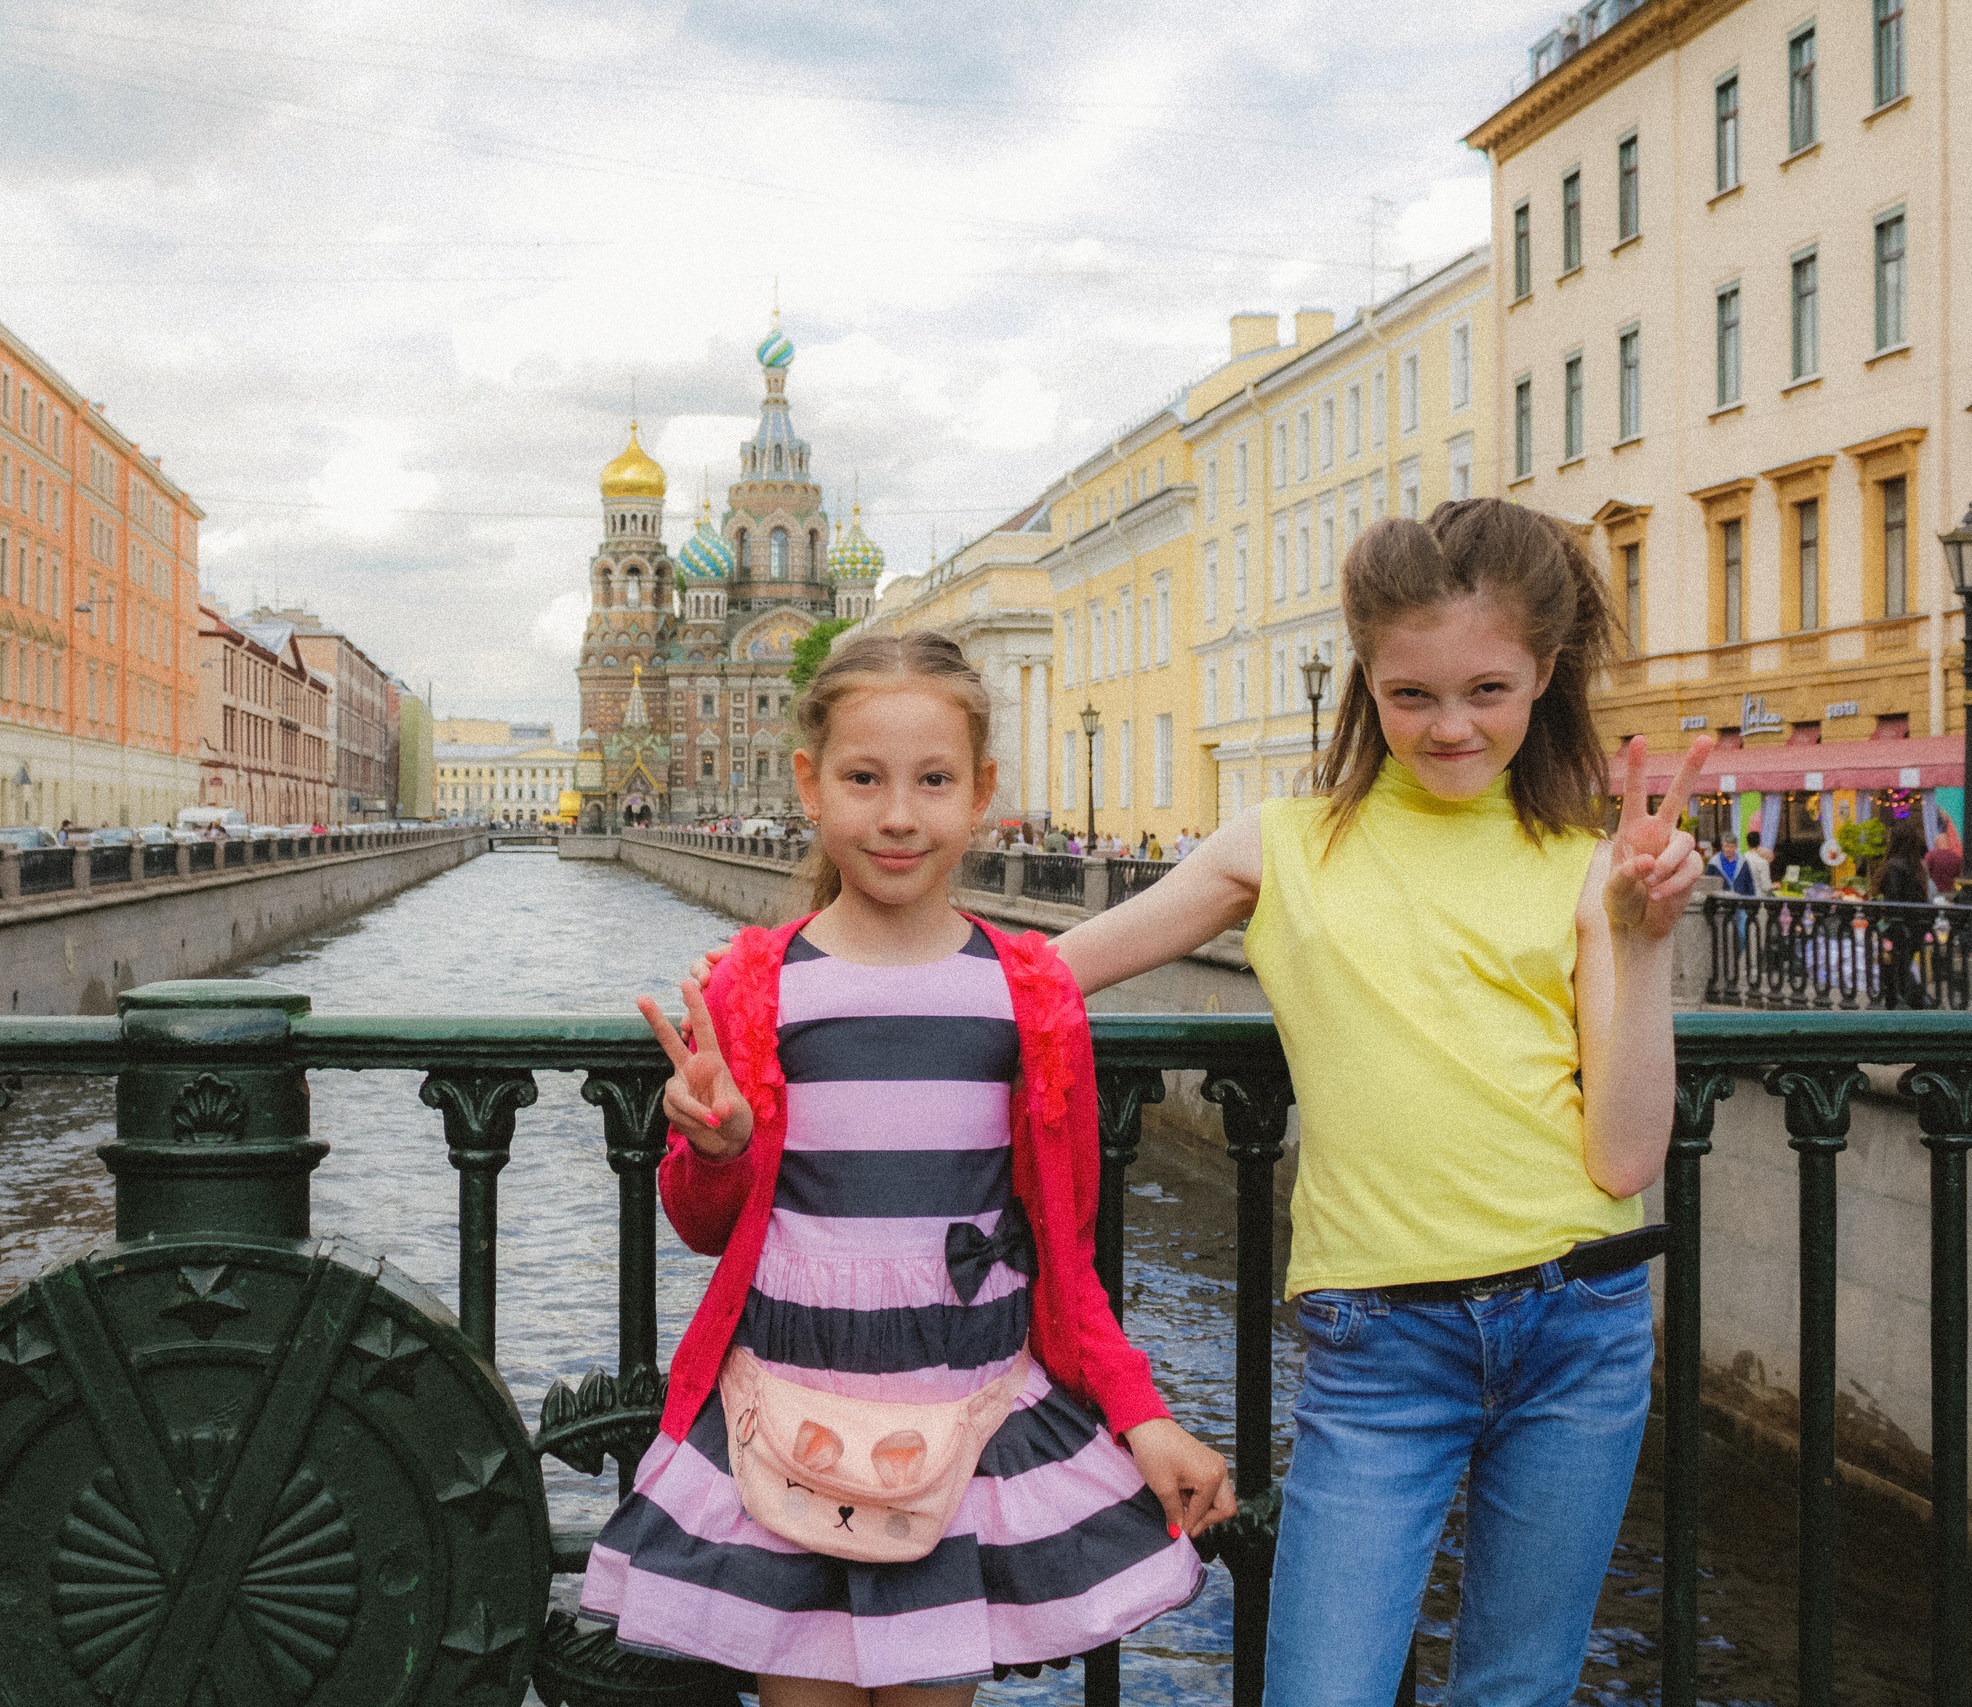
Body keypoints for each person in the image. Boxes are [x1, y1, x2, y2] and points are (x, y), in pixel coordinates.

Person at [1033, 501, 1707, 1703]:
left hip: (1578, 1322)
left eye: (1488, 690)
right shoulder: (1279, 845)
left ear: (1544, 676)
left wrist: (1642, 939)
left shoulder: (1589, 866)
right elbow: (1045, 974)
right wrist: (790, 980)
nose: (1451, 727)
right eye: (1413, 696)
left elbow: (1622, 1155)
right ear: (1366, 677)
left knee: (1515, 1688)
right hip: (1381, 1345)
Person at [583, 629, 1232, 1701]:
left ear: (980, 792)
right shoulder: (752, 985)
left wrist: (1140, 1411)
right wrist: (718, 1149)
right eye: (864, 779)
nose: (896, 815)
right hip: (791, 1407)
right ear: (810, 785)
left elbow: (1064, 1255)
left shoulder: (1028, 994)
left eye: (932, 781)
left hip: (962, 1409)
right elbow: (706, 1223)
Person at [1877, 818, 1934, 1008]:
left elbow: (1893, 896)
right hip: (1916, 922)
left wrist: (1890, 922)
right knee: (1905, 962)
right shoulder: (1917, 865)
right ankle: (1913, 997)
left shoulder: (1894, 865)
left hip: (1900, 923)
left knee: (1896, 962)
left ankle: (1902, 998)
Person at [1924, 826, 1963, 899]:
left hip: (1936, 894)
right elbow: (1960, 875)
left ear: (1936, 843)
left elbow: (1926, 872)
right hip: (1951, 893)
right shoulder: (1956, 857)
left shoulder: (1931, 855)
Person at [1741, 829, 1775, 899]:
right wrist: (1774, 885)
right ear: (1759, 843)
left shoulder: (1741, 860)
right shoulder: (1763, 862)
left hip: (1743, 897)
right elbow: (1766, 886)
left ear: (1747, 843)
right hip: (1758, 898)